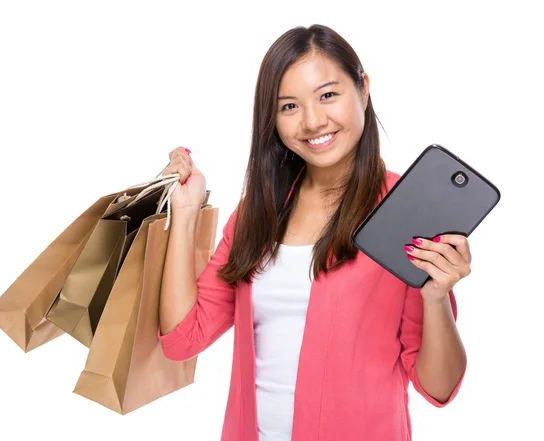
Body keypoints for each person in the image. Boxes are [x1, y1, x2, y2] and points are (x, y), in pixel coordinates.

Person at [157, 24, 470, 441]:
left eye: (327, 95)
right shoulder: (259, 210)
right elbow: (183, 338)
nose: (312, 121)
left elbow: (438, 387)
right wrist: (185, 210)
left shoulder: (404, 212)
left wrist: (435, 299)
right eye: (289, 106)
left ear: (363, 88)